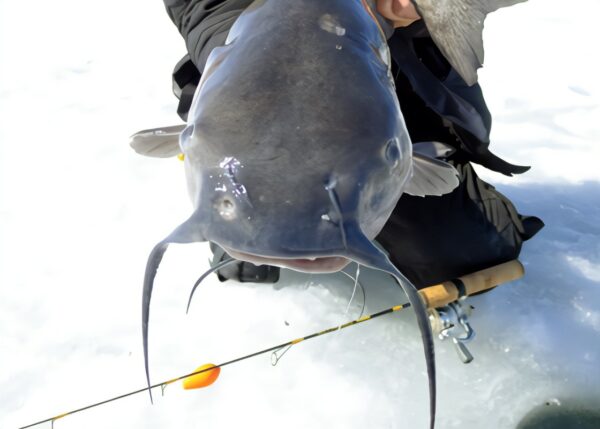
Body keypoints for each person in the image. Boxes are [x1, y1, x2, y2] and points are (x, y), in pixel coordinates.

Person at [161, 0, 544, 288]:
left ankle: (427, 161)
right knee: (245, 221)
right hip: (246, 35)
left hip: (380, 66)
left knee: (464, 256)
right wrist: (253, 48)